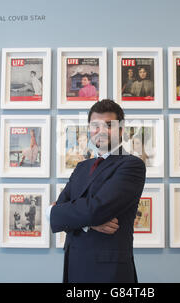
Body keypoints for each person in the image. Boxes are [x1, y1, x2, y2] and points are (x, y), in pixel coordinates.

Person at [48, 99, 146, 283]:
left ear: (121, 130)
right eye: (95, 125)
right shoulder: (81, 167)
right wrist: (88, 223)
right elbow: (59, 208)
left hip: (109, 273)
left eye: (109, 125)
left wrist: (68, 215)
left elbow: (96, 209)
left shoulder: (131, 165)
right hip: (75, 268)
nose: (101, 131)